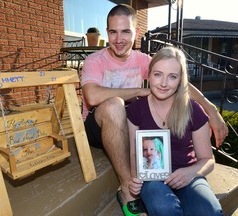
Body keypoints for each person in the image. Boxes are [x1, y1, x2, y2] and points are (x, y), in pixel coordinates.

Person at [81, 4, 228, 215]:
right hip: (98, 124)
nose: (119, 39)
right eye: (113, 32)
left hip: (130, 124)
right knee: (115, 105)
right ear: (107, 33)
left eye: (126, 31)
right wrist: (140, 91)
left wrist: (211, 109)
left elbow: (175, 77)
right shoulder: (95, 60)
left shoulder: (142, 60)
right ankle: (127, 190)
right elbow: (92, 96)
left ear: (136, 32)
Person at [127, 46, 223, 215]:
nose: (164, 83)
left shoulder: (193, 109)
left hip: (189, 174)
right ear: (148, 75)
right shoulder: (136, 109)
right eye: (158, 74)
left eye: (172, 77)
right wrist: (136, 178)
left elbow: (208, 159)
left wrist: (191, 172)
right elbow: (135, 154)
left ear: (180, 80)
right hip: (152, 177)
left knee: (209, 210)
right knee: (164, 207)